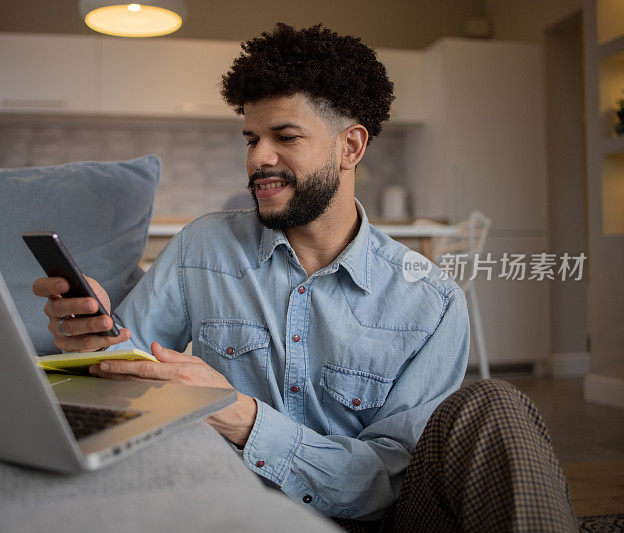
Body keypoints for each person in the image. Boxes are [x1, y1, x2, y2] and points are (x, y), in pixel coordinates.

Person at [33, 24, 576, 530]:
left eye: (284, 136)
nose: (257, 159)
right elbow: (128, 376)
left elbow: (390, 478)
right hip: (230, 509)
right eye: (250, 139)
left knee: (496, 405)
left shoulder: (430, 303)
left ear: (351, 146)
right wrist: (93, 338)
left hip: (373, 519)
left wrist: (241, 418)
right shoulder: (204, 247)